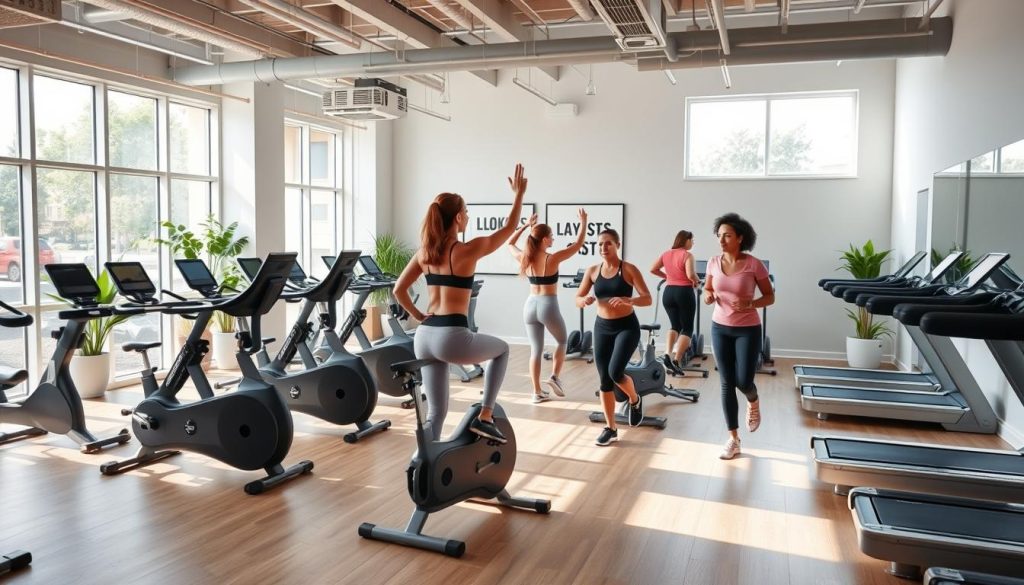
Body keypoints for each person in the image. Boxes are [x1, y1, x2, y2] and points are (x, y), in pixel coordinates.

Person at [392, 163, 527, 444]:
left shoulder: (424, 253)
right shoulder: (467, 250)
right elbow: (509, 228)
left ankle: (423, 460)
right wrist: (518, 195)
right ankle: (485, 416)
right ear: (457, 218)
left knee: (436, 413)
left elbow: (398, 290)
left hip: (424, 336)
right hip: (451, 337)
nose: (467, 216)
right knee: (502, 350)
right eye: (465, 212)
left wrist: (418, 314)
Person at [703, 213, 775, 460]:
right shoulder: (713, 262)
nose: (721, 240)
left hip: (748, 329)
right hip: (719, 328)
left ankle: (753, 401)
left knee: (743, 381)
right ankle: (733, 439)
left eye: (727, 236)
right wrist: (708, 296)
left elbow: (770, 296)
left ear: (740, 238)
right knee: (726, 382)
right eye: (719, 236)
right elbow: (707, 288)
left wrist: (751, 303)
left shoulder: (754, 265)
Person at [575, 229, 652, 446]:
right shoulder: (592, 271)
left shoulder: (628, 269)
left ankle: (634, 399)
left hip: (626, 327)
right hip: (602, 327)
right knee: (604, 380)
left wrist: (629, 300)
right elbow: (578, 297)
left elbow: (647, 298)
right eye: (600, 244)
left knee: (615, 372)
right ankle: (611, 428)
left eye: (608, 243)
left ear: (618, 245)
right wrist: (583, 301)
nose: (603, 247)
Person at [506, 208, 588, 403]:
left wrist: (526, 226)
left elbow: (509, 243)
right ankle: (554, 377)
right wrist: (583, 222)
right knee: (562, 341)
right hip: (548, 304)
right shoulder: (552, 258)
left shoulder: (525, 257)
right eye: (551, 236)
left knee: (535, 350)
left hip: (530, 305)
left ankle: (536, 392)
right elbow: (578, 244)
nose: (553, 239)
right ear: (544, 239)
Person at [650, 230, 698, 375]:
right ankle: (676, 360)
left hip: (669, 292)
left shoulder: (666, 254)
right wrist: (697, 281)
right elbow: (690, 274)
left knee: (675, 325)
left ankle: (667, 354)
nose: (693, 243)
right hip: (684, 292)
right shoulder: (687, 255)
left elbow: (653, 269)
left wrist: (667, 277)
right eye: (692, 240)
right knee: (687, 328)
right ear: (686, 240)